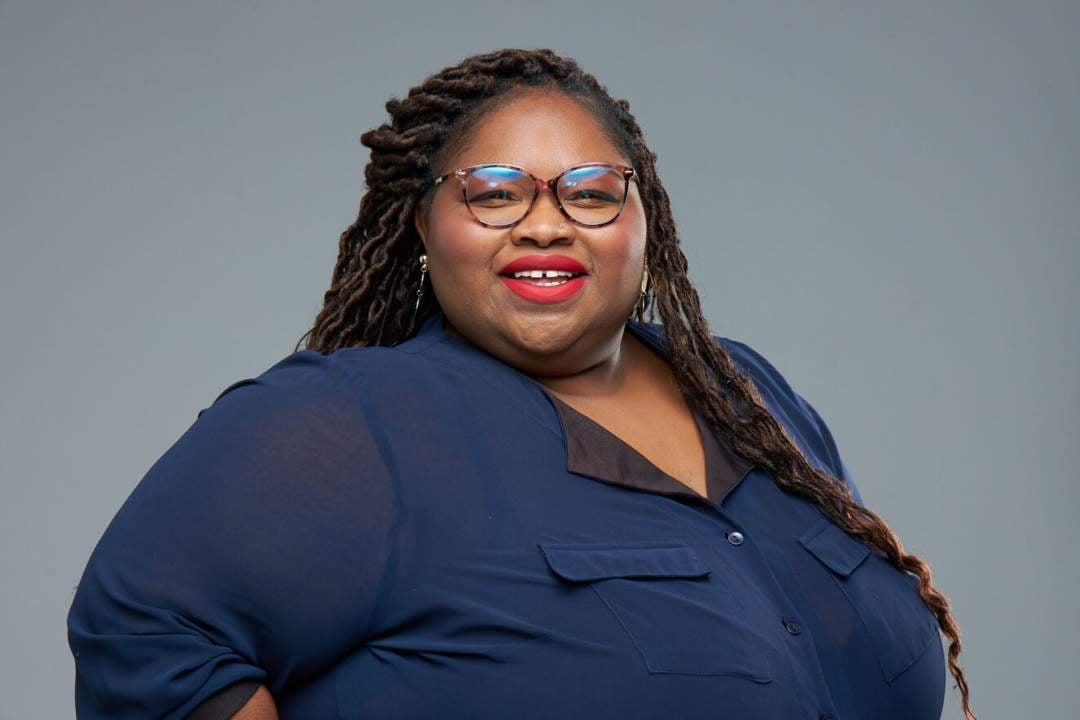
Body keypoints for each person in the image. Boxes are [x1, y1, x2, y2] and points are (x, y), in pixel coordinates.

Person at [66, 48, 977, 720]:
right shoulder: (356, 424)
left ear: (646, 221)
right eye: (495, 192)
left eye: (590, 190)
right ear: (423, 227)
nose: (546, 224)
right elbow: (144, 631)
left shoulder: (747, 391)